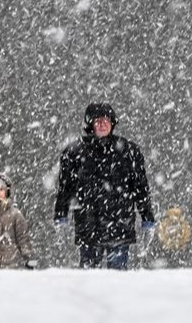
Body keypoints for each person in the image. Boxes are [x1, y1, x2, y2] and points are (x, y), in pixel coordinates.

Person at [53, 103, 155, 269]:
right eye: (98, 120)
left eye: (106, 120)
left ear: (112, 123)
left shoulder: (129, 151)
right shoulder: (74, 153)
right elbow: (65, 189)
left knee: (118, 280)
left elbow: (141, 188)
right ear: (90, 124)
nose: (102, 124)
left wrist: (147, 218)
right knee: (89, 279)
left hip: (120, 225)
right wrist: (60, 215)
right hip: (88, 225)